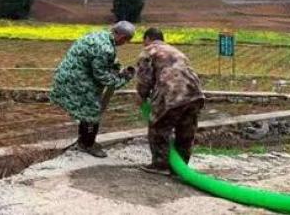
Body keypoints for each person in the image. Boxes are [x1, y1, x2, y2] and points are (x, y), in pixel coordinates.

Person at [51, 21, 136, 157]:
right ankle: (88, 144)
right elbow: (103, 77)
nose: (125, 43)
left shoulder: (100, 35)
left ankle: (83, 140)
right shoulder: (105, 48)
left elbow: (106, 61)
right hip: (76, 80)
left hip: (69, 75)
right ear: (121, 36)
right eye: (126, 40)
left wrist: (117, 69)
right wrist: (124, 79)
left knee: (87, 109)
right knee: (92, 111)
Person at [136, 27, 205, 175]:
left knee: (159, 127)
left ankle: (160, 165)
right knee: (186, 130)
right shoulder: (175, 51)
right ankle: (181, 167)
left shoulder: (149, 51)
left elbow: (144, 79)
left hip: (172, 94)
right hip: (194, 92)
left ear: (147, 38)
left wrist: (141, 96)